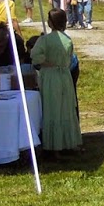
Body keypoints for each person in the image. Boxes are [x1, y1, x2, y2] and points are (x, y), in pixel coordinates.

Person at [29, 9, 82, 155]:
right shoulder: (67, 39)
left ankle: (54, 145)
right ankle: (69, 142)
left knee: (52, 108)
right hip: (65, 75)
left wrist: (46, 62)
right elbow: (70, 57)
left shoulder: (44, 40)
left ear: (50, 22)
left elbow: (34, 56)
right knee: (66, 108)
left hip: (51, 75)